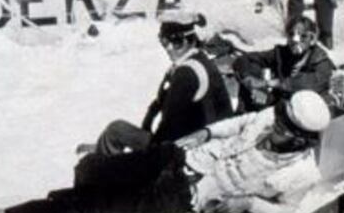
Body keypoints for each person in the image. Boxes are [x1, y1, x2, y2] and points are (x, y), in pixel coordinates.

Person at [0, 91, 331, 213]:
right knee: (92, 170)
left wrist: (249, 203)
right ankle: (80, 197)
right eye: (278, 117)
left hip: (184, 194)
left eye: (282, 127)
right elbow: (241, 122)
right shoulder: (272, 116)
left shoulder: (302, 172)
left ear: (300, 138)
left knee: (95, 207)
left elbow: (287, 209)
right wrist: (205, 132)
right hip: (176, 157)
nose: (273, 124)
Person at [90, 12, 235, 157]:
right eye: (164, 41)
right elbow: (160, 102)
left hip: (188, 149)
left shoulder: (187, 72)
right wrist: (147, 127)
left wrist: (146, 154)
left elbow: (169, 125)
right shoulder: (197, 59)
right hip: (202, 141)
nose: (169, 48)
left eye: (177, 42)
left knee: (115, 130)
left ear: (190, 39)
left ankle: (101, 164)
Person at [233, 16, 335, 113]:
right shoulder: (282, 54)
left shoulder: (321, 61)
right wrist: (251, 82)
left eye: (303, 36)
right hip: (282, 106)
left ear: (312, 39)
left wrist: (272, 83)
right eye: (291, 34)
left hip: (308, 110)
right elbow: (245, 59)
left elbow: (309, 82)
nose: (295, 40)